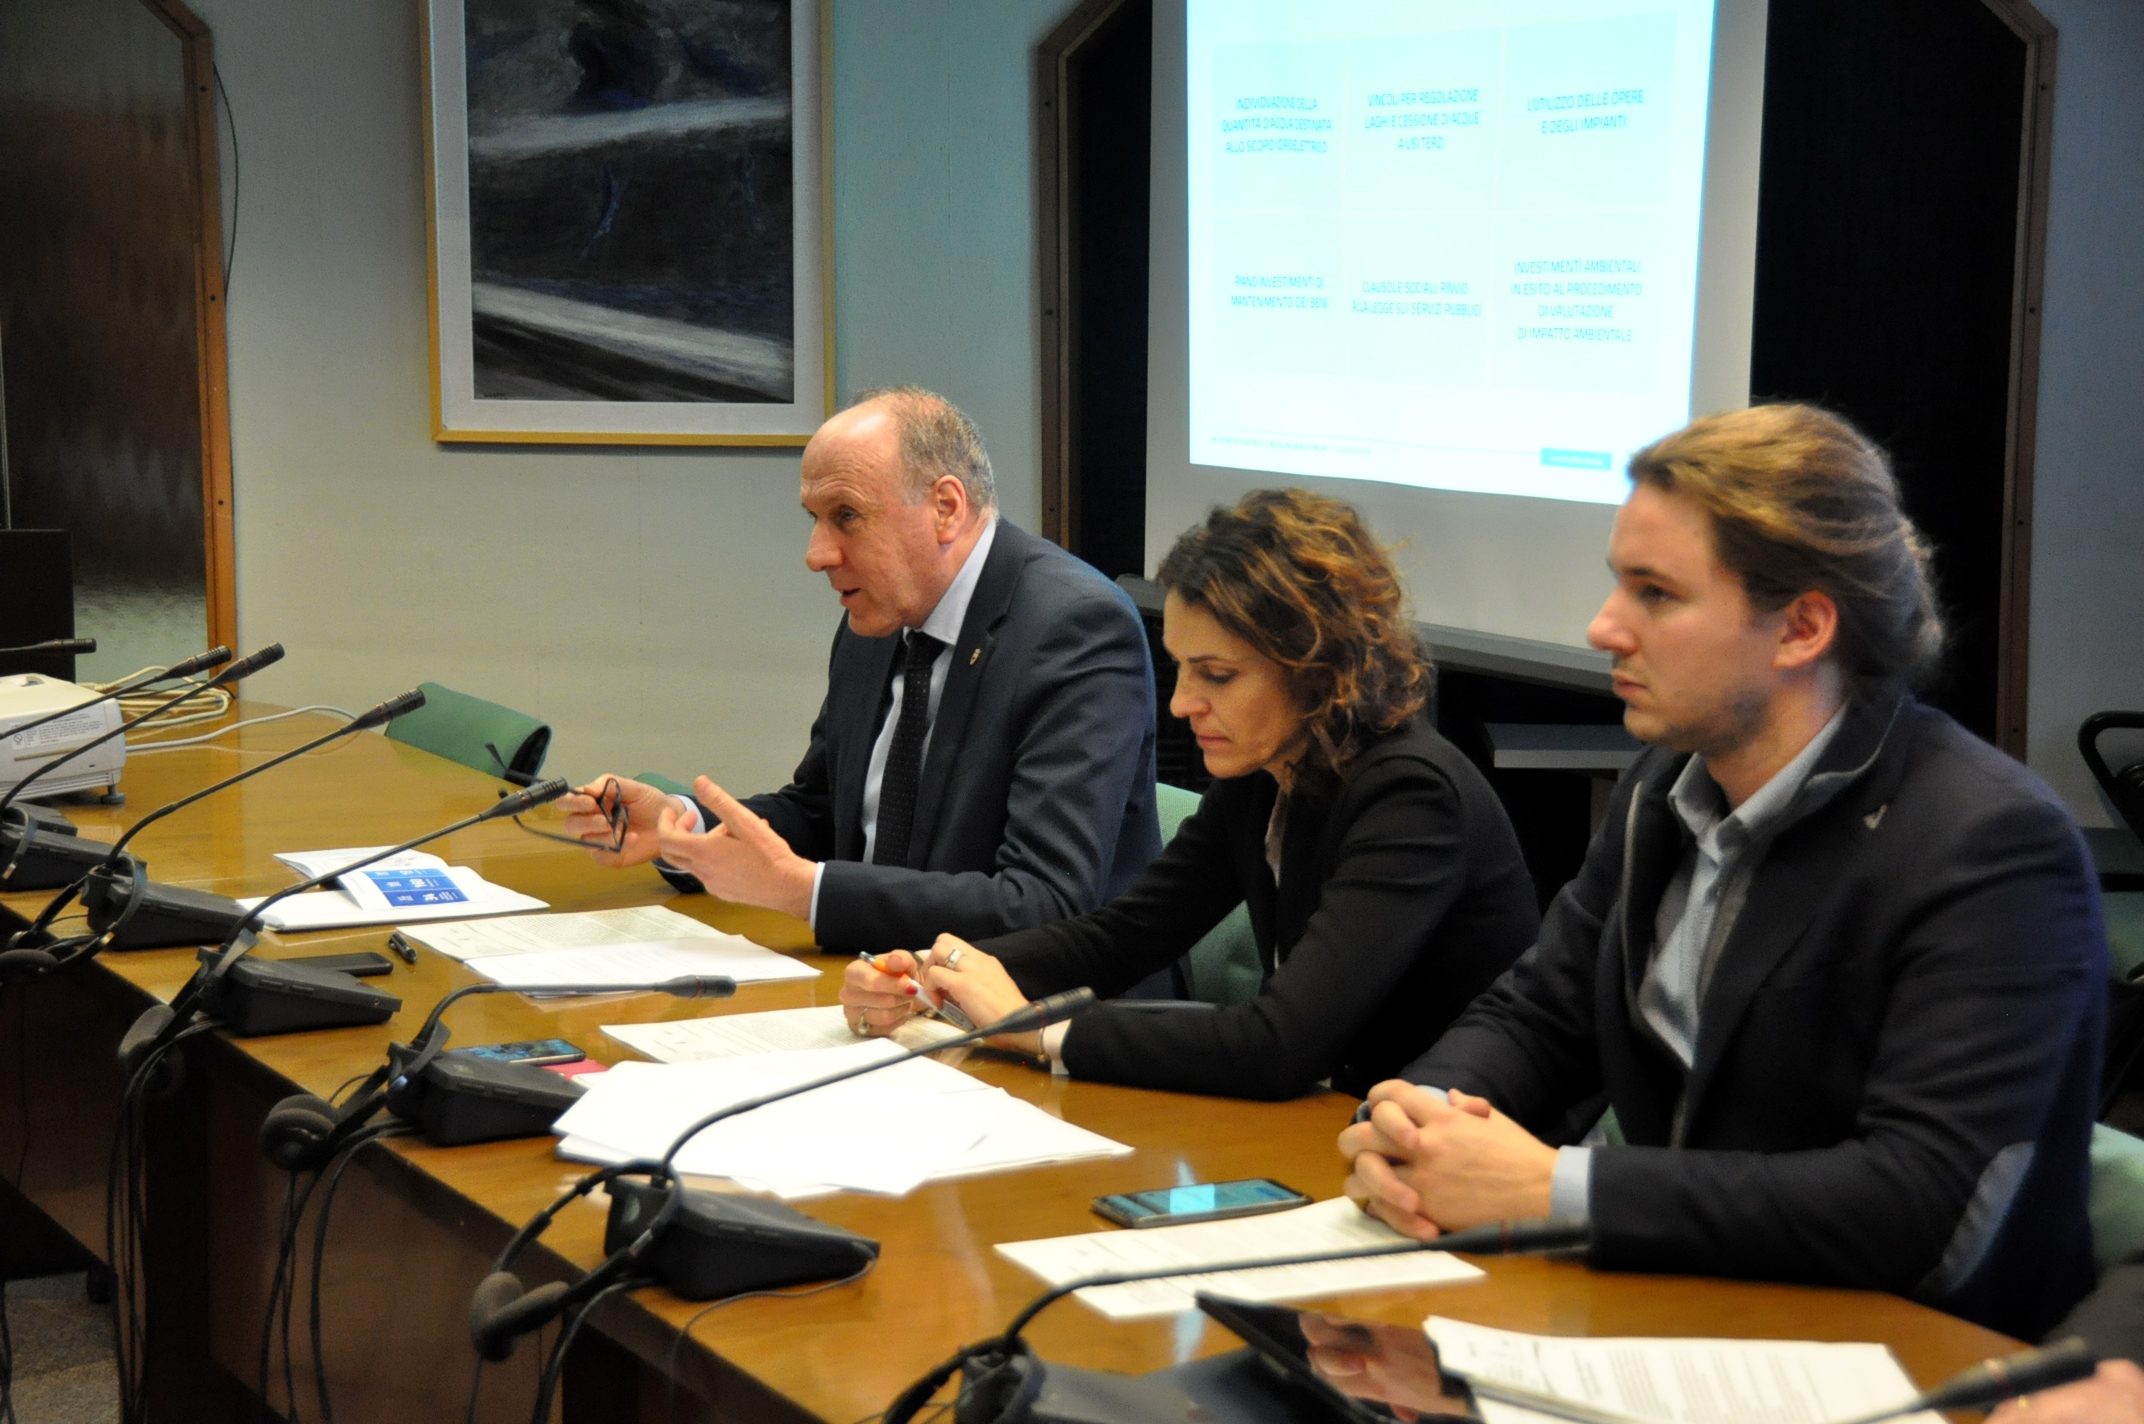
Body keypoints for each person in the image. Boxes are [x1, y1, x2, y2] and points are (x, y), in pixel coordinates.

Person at [1338, 404, 2106, 1340]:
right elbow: (1541, 1015)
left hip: (1913, 1358)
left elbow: (1918, 1201)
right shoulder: (1665, 785)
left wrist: (1551, 1186)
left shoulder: (1991, 843)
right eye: (1618, 585)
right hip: (1686, 1308)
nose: (1604, 627)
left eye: (1656, 594)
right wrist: (1416, 1123)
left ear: (1801, 628)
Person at [841, 489, 1540, 1100]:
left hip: (1445, 1148)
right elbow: (1124, 936)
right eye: (1180, 668)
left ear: (1316, 667)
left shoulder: (1411, 797)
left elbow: (1280, 1044)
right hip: (1336, 1124)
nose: (1181, 704)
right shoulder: (1270, 771)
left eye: (1217, 675)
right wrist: (934, 973)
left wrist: (1036, 1030)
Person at [559, 387, 1161, 954]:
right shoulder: (878, 617)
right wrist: (683, 826)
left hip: (1048, 1004)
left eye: (846, 515)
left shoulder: (1075, 628)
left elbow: (1044, 903)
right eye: (815, 519)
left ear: (946, 508)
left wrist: (806, 893)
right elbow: (823, 812)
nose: (817, 555)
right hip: (883, 980)